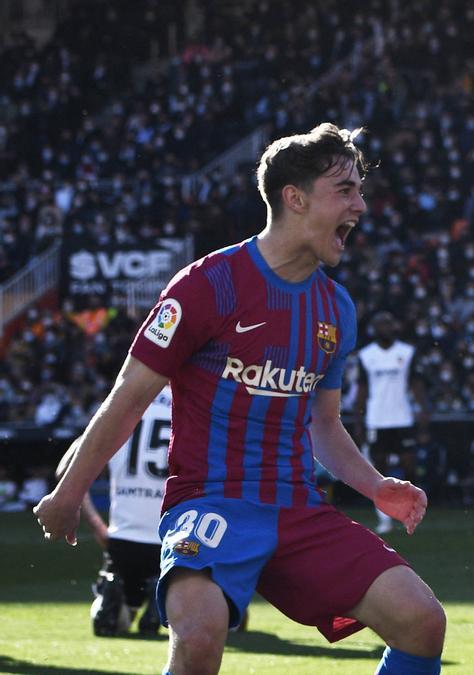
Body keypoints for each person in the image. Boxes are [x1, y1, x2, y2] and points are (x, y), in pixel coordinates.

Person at [36, 123, 446, 674]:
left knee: (422, 620)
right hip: (210, 502)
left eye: (359, 190)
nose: (361, 205)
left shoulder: (335, 308)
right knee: (200, 640)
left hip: (297, 508)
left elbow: (323, 424)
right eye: (345, 190)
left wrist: (376, 486)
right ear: (295, 199)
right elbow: (129, 398)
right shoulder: (207, 285)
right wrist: (70, 491)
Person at [56, 386, 172, 637]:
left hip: (120, 542)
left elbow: (65, 469)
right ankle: (164, 603)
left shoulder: (123, 405)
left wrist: (97, 525)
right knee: (224, 610)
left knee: (118, 619)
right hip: (172, 541)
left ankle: (117, 601)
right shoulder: (193, 404)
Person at [355, 310, 420, 534]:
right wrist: (358, 421)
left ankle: (411, 510)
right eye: (380, 324)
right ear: (374, 329)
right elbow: (362, 391)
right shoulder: (366, 355)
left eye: (388, 323)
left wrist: (424, 412)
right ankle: (384, 518)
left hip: (402, 417)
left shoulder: (407, 352)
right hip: (377, 419)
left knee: (409, 466)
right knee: (379, 472)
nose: (385, 328)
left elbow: (416, 383)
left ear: (395, 327)